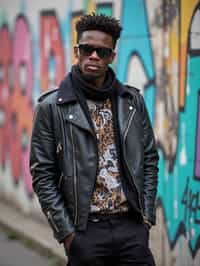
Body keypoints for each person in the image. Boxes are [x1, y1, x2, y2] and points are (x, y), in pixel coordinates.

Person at [30, 13, 159, 266]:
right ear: (77, 50)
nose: (94, 57)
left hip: (131, 228)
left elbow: (150, 159)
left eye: (102, 52)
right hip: (85, 231)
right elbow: (42, 173)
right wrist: (67, 233)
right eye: (88, 49)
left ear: (112, 57)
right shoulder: (51, 107)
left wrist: (146, 219)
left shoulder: (132, 102)